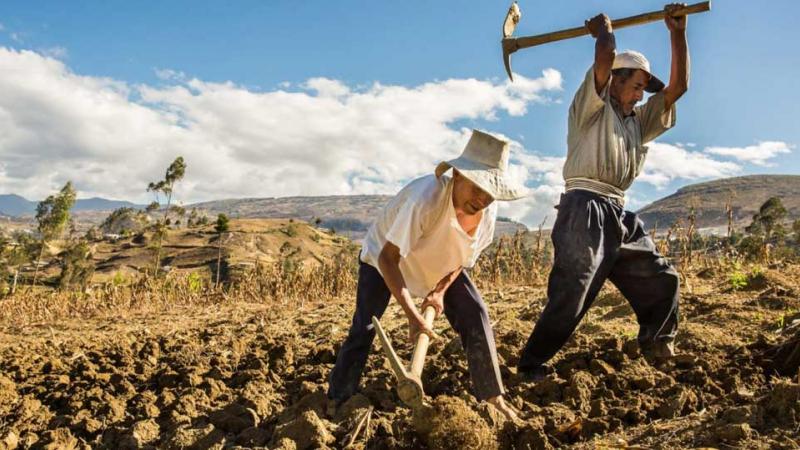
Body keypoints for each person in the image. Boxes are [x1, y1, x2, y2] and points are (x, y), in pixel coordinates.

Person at [518, 3, 691, 381]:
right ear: (614, 80)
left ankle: (658, 345)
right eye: (636, 86)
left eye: (644, 89)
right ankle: (531, 364)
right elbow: (607, 55)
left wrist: (677, 33)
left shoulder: (637, 122)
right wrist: (603, 32)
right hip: (584, 207)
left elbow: (678, 88)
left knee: (662, 278)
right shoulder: (590, 108)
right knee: (574, 289)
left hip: (619, 212)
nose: (642, 96)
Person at [328, 129, 525, 419]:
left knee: (475, 312)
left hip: (437, 265)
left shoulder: (487, 215)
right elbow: (388, 258)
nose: (482, 198)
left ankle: (493, 398)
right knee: (365, 327)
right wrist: (412, 315)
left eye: (490, 192)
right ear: (457, 175)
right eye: (476, 186)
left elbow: (462, 260)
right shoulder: (426, 199)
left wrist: (439, 292)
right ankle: (338, 399)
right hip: (383, 260)